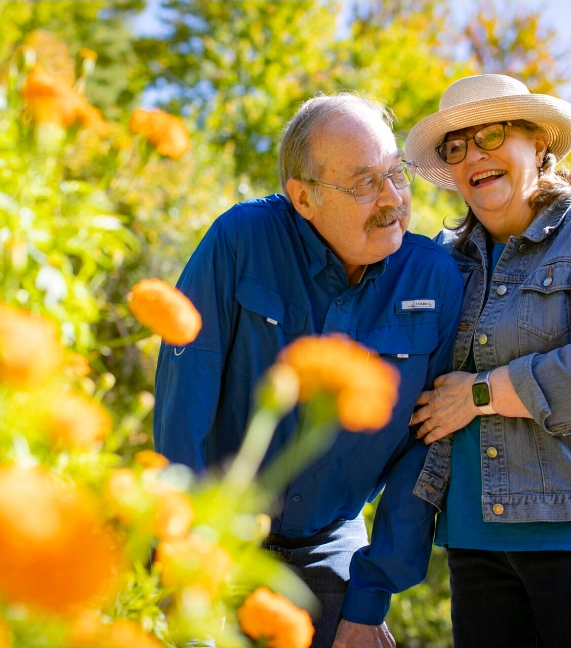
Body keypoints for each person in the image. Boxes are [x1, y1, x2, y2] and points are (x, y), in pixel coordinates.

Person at [153, 93, 463, 648]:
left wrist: (370, 599)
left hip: (330, 542)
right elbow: (184, 404)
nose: (393, 199)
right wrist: (188, 556)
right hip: (216, 533)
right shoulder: (241, 240)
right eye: (365, 183)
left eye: (397, 174)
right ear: (304, 197)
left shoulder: (434, 280)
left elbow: (426, 447)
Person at [405, 74, 571, 647]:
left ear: (539, 144)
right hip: (476, 544)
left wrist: (479, 394)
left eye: (492, 135)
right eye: (457, 147)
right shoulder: (442, 264)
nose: (474, 156)